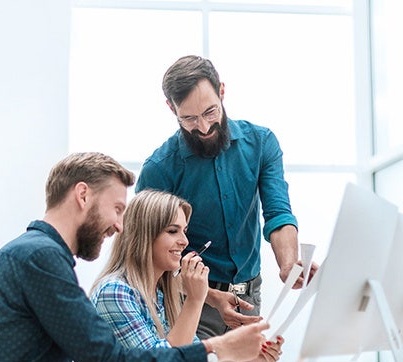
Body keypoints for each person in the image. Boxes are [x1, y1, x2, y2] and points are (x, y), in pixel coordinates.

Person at [0, 152, 270, 362]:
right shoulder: (41, 259)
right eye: (117, 208)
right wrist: (218, 350)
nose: (119, 225)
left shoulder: (22, 254)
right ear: (83, 195)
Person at [136, 55, 318, 341]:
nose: (205, 128)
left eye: (210, 112)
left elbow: (278, 214)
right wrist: (209, 296)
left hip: (249, 294)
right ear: (171, 108)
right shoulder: (159, 169)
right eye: (190, 119)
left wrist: (288, 265)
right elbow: (149, 256)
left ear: (222, 91)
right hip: (189, 298)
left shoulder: (261, 143)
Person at [90, 189, 284, 362]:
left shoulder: (160, 293)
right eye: (173, 231)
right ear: (144, 235)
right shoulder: (115, 292)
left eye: (184, 231)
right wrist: (195, 300)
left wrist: (253, 359)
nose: (184, 241)